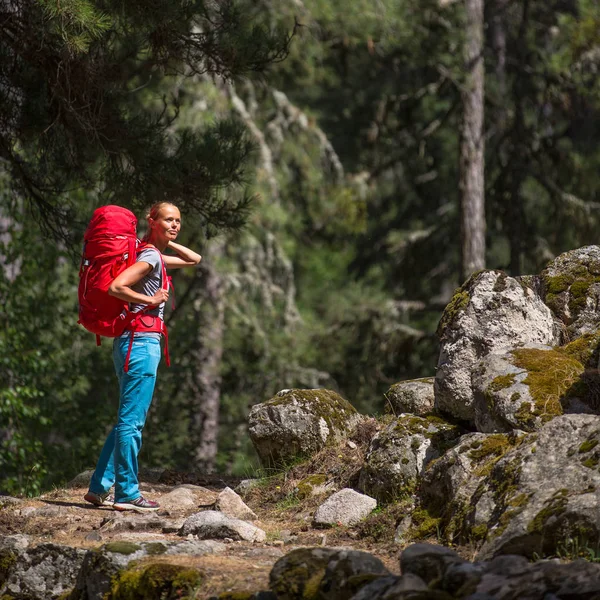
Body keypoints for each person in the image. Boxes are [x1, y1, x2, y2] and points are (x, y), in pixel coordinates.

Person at [83, 202, 201, 512]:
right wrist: (150, 298)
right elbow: (116, 286)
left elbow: (194, 259)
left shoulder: (152, 253)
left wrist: (163, 238)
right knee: (132, 424)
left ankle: (98, 488)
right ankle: (127, 494)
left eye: (178, 221)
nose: (174, 225)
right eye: (167, 220)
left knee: (126, 419)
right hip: (140, 343)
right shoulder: (149, 256)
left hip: (133, 342)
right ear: (152, 221)